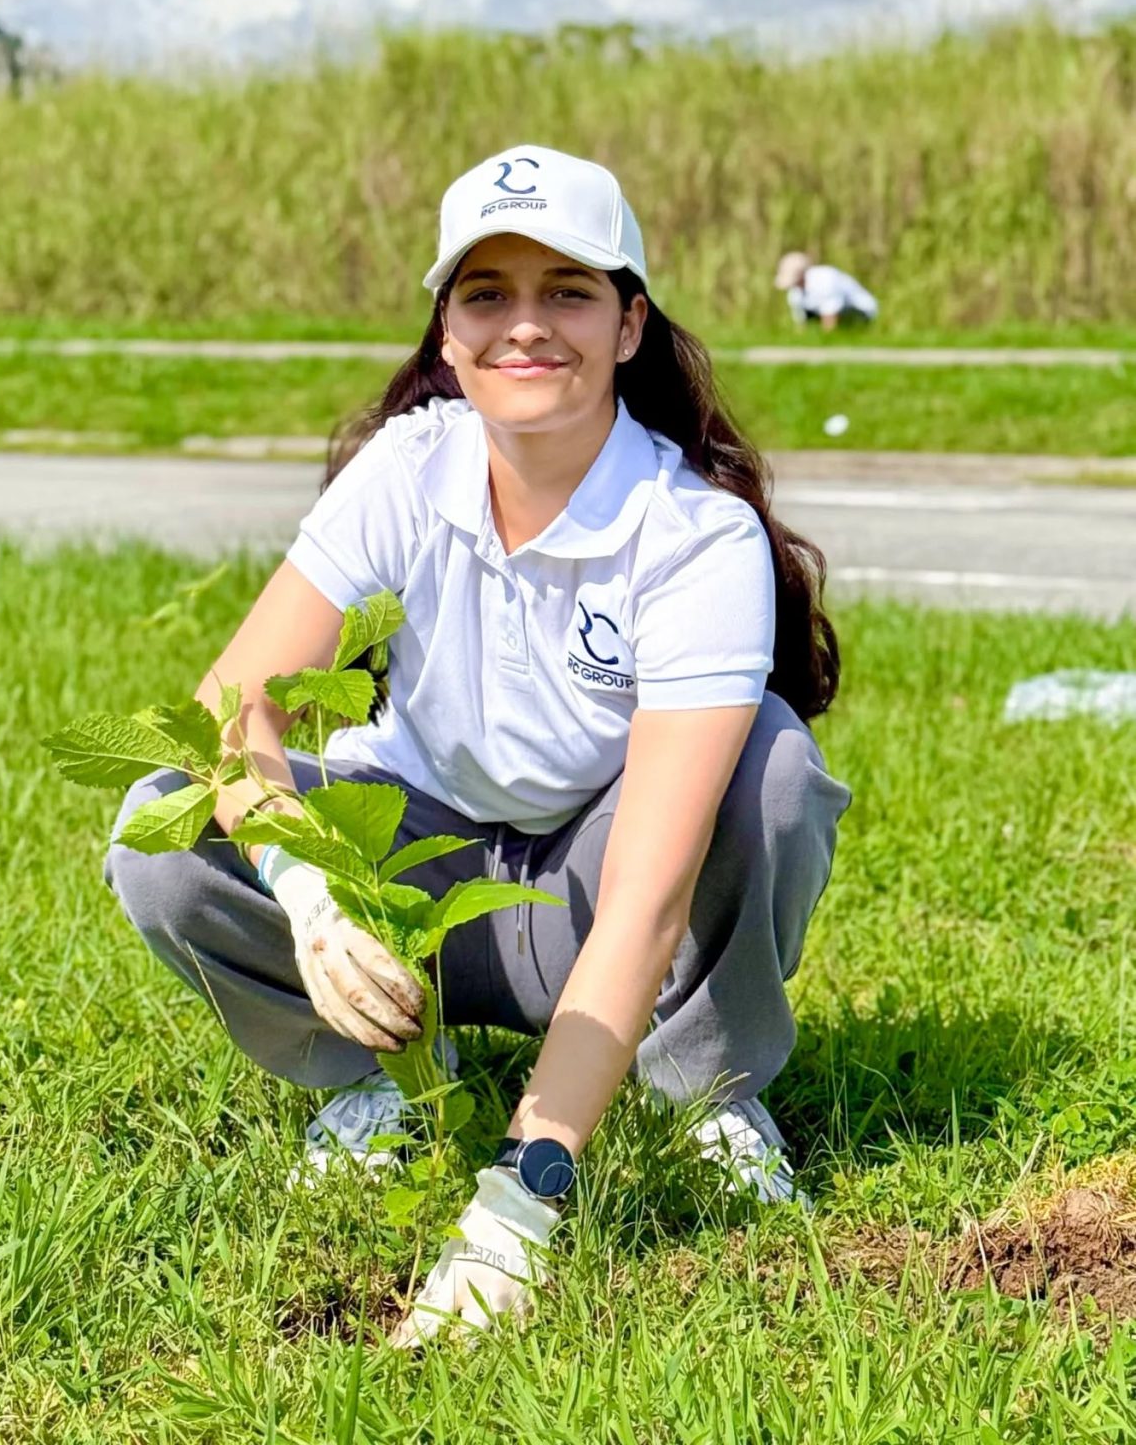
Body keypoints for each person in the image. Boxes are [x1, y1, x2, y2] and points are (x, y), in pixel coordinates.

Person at [104, 145, 851, 1344]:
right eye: (486, 293)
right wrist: (307, 892)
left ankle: (697, 1087)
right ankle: (379, 1073)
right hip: (416, 880)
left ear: (629, 325)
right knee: (162, 823)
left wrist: (515, 1204)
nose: (525, 325)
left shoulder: (694, 536)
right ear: (447, 335)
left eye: (568, 291)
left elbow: (646, 899)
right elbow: (232, 717)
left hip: (593, 902)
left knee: (768, 771)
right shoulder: (407, 469)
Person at [774, 251, 877, 331]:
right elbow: (801, 320)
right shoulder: (796, 291)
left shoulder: (826, 279)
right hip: (826, 311)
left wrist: (826, 339)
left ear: (801, 274)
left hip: (859, 312)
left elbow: (830, 315)